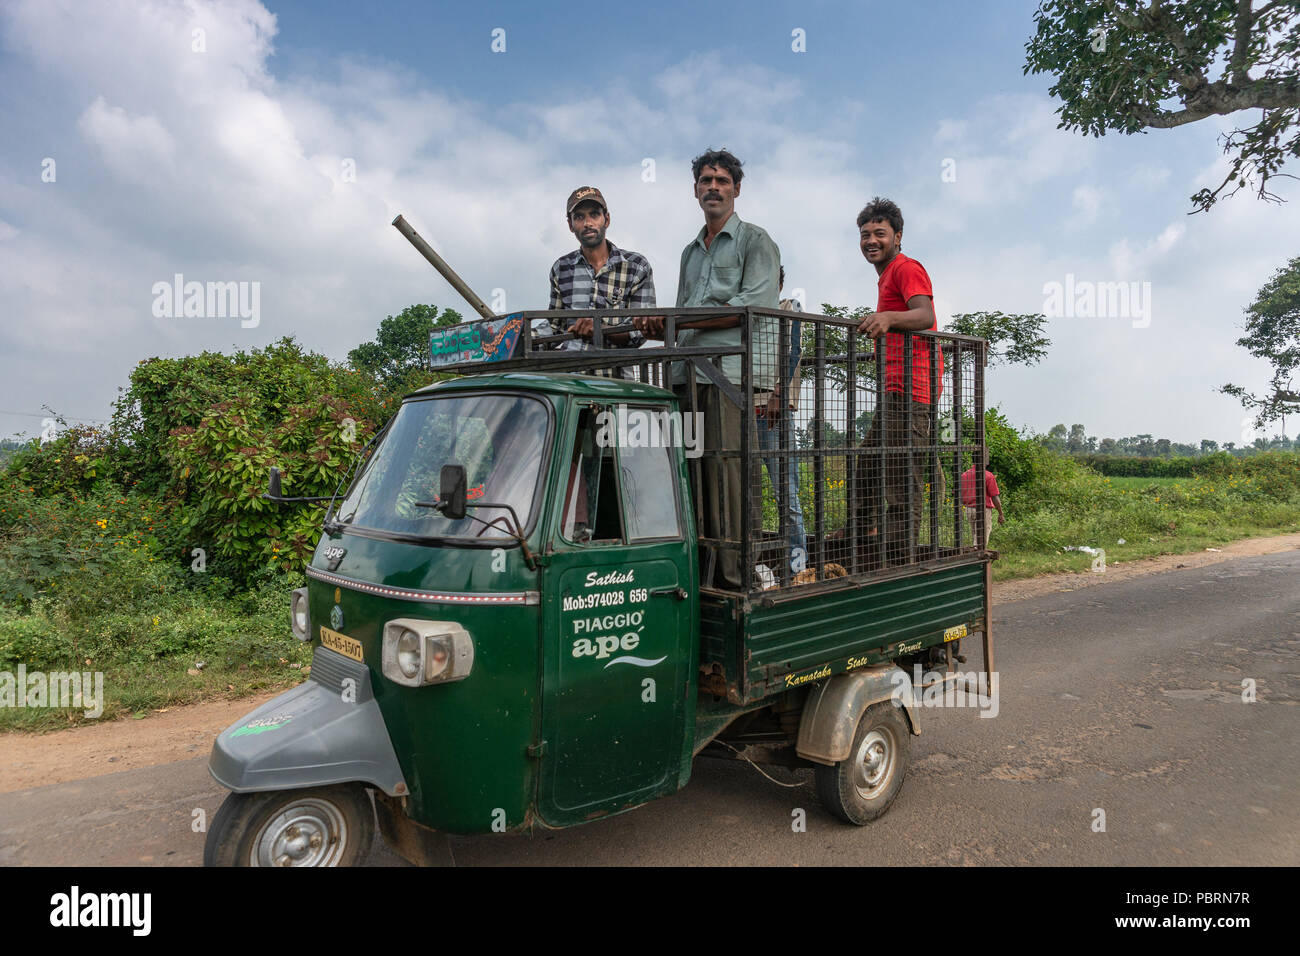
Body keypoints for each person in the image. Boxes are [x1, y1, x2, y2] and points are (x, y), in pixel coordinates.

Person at [634, 148, 779, 589]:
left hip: (727, 378)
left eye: (721, 180)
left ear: (736, 188)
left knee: (727, 477)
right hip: (686, 376)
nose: (712, 187)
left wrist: (679, 320)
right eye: (705, 180)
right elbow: (683, 313)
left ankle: (736, 580)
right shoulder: (689, 252)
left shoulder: (756, 241)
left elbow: (751, 307)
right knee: (689, 474)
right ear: (695, 190)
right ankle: (698, 577)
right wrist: (659, 323)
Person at [851, 197, 944, 567]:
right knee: (868, 467)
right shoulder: (887, 275)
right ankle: (865, 538)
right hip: (895, 390)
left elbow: (925, 315)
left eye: (880, 233)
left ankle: (898, 563)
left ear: (898, 236)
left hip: (913, 390)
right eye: (865, 234)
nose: (871, 240)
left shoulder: (906, 268)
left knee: (902, 483)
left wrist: (887, 318)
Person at [544, 186, 656, 379]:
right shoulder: (561, 268)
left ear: (607, 219)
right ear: (570, 225)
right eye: (579, 217)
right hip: (571, 381)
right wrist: (518, 336)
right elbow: (555, 327)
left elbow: (640, 331)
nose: (587, 223)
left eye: (594, 214)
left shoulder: (636, 267)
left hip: (617, 381)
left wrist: (599, 328)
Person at [755, 266, 807, 565]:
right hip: (744, 407)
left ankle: (797, 566)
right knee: (745, 494)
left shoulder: (789, 307)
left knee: (787, 496)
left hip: (774, 411)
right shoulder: (746, 309)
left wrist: (778, 394)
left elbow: (794, 349)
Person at [959, 449, 1004, 547]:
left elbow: (960, 495)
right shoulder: (988, 476)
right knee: (981, 540)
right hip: (983, 510)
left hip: (969, 510)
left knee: (975, 535)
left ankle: (975, 555)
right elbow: (994, 497)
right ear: (984, 459)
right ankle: (977, 559)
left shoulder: (964, 475)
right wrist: (1000, 513)